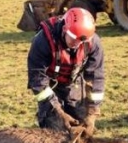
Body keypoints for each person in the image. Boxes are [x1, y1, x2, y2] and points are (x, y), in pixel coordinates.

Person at [27, 7, 104, 135]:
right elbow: (38, 80)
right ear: (64, 29)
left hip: (73, 84)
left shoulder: (92, 42)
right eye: (74, 39)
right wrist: (58, 111)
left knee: (82, 127)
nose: (77, 44)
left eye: (81, 41)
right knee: (54, 129)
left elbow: (96, 77)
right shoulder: (42, 41)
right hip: (49, 86)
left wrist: (92, 112)